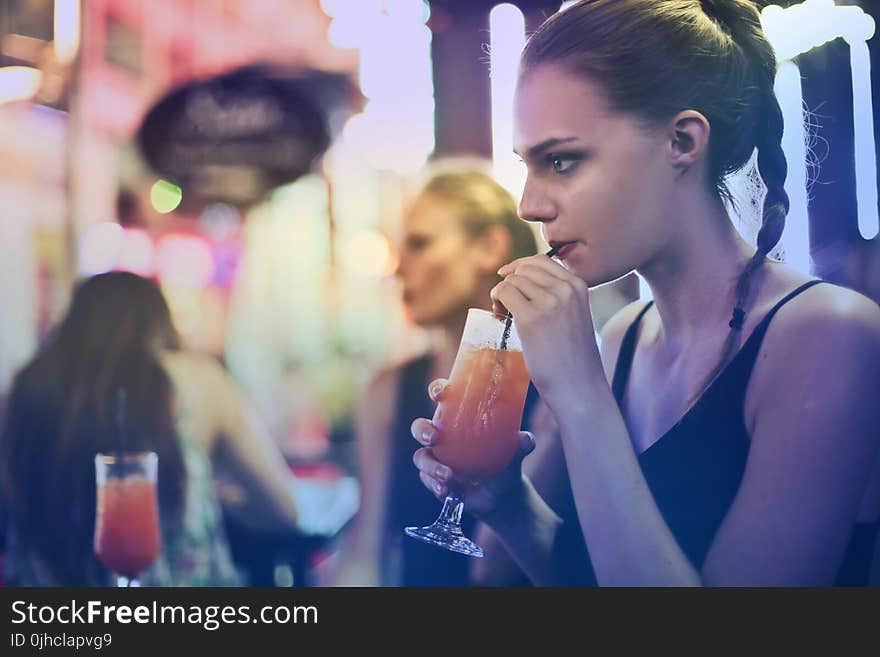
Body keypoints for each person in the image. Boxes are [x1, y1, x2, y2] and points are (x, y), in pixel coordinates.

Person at [410, 0, 880, 586]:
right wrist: (506, 503)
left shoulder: (831, 335)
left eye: (561, 160)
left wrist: (581, 396)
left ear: (682, 141)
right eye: (527, 167)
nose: (529, 205)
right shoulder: (621, 336)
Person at [0, 271, 300, 586]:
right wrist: (212, 498)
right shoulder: (199, 381)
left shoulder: (24, 390)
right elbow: (282, 510)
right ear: (159, 324)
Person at [334, 164, 545, 586]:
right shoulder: (388, 391)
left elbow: (495, 571)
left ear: (489, 246)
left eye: (419, 243)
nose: (398, 267)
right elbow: (367, 550)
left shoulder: (551, 388)